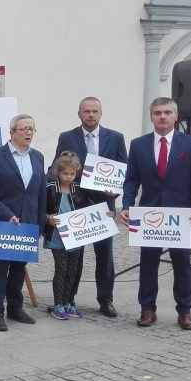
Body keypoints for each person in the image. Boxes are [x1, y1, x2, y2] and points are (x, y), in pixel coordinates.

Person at [121, 97, 191, 330]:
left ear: (175, 116)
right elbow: (132, 180)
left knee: (182, 262)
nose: (162, 117)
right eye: (157, 113)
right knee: (148, 262)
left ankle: (185, 310)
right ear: (151, 117)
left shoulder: (190, 144)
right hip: (149, 213)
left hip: (181, 215)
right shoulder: (138, 144)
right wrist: (127, 206)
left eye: (167, 112)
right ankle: (147, 309)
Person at [53, 97, 128, 317]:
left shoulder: (115, 138)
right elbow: (56, 167)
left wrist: (116, 191)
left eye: (95, 111)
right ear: (79, 114)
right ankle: (69, 297)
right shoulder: (67, 137)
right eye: (87, 111)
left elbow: (124, 171)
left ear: (101, 113)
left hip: (104, 205)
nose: (91, 115)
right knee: (75, 254)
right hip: (76, 204)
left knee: (104, 255)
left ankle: (106, 300)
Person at [0, 114, 47, 332]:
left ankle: (15, 307)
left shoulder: (38, 157)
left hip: (28, 221)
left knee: (19, 267)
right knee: (1, 266)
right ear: (12, 132)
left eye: (32, 129)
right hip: (5, 221)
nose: (28, 133)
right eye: (24, 129)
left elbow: (40, 193)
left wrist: (40, 224)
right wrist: (5, 213)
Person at [44, 152, 111, 320]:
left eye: (72, 174)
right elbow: (41, 208)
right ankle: (58, 304)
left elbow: (89, 207)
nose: (68, 177)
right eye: (65, 173)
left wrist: (104, 214)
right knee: (61, 269)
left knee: (73, 269)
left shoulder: (79, 189)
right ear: (57, 172)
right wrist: (47, 219)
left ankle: (67, 302)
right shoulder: (50, 188)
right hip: (57, 235)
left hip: (76, 236)